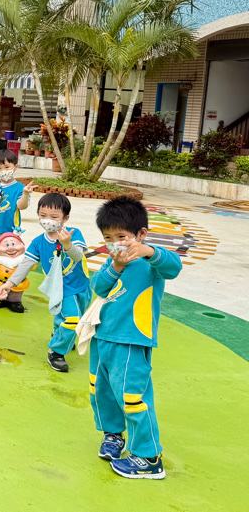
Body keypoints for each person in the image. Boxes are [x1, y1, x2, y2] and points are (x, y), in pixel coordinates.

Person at [83, 197, 181, 480]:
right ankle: (113, 435)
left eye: (121, 237)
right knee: (100, 391)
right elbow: (99, 287)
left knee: (133, 397)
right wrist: (114, 266)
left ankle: (149, 457)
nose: (115, 243)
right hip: (102, 336)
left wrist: (148, 251)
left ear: (141, 234)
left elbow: (173, 266)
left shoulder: (151, 263)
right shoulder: (112, 261)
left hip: (132, 340)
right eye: (108, 238)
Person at [0, 193, 90, 373]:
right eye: (43, 215)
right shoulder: (38, 242)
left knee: (74, 318)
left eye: (54, 216)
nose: (48, 220)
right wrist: (9, 284)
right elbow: (26, 264)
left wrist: (67, 244)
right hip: (61, 289)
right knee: (73, 320)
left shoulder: (73, 234)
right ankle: (56, 351)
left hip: (82, 286)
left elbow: (78, 256)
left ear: (65, 218)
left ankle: (59, 333)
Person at [0, 149, 33, 257]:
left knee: (6, 260)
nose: (3, 171)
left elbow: (21, 206)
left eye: (7, 167)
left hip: (9, 233)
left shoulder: (20, 189)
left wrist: (25, 194)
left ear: (16, 167)